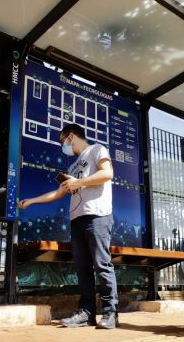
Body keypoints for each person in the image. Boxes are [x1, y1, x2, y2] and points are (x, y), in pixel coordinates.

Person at [18, 123, 118, 329]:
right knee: (82, 268)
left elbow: (107, 174)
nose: (63, 146)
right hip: (77, 220)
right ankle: (86, 313)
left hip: (97, 216)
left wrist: (79, 183)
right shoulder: (72, 167)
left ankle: (110, 313)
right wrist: (32, 201)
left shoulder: (97, 149)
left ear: (71, 137)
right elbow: (57, 193)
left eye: (63, 141)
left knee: (101, 264)